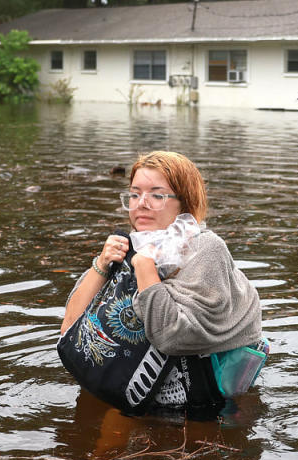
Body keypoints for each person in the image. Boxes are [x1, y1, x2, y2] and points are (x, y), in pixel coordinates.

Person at [60, 150, 263, 412]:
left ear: (184, 202)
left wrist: (145, 268)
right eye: (134, 194)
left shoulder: (205, 249)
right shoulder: (132, 244)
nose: (141, 203)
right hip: (131, 392)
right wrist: (100, 265)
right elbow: (70, 330)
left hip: (198, 409)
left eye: (157, 195)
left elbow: (173, 337)